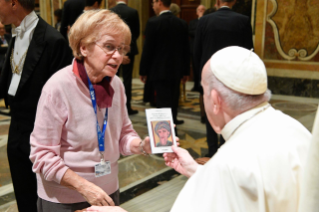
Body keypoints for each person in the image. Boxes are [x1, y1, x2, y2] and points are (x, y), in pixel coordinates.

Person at [29, 10, 152, 212]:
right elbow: (42, 154)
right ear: (84, 47)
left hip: (107, 193)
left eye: (122, 49)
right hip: (64, 199)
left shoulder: (117, 85)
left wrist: (141, 145)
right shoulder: (58, 87)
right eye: (110, 47)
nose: (118, 56)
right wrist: (84, 187)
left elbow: (123, 135)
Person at [163, 46, 311, 211]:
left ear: (215, 100)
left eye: (203, 91)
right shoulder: (296, 129)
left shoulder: (224, 166)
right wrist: (196, 170)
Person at [0, 0, 72, 211]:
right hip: (16, 127)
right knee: (23, 194)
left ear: (13, 3)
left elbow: (63, 98)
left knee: (44, 197)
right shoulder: (15, 34)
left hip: (41, 132)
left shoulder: (53, 40)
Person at [194, 0, 254, 159]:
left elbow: (197, 52)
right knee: (231, 111)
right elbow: (248, 52)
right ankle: (226, 147)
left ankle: (212, 149)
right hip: (234, 76)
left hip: (210, 75)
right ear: (234, 1)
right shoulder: (243, 20)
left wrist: (198, 77)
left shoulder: (205, 21)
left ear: (218, 1)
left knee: (211, 111)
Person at [139, 0, 189, 126]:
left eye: (154, 3)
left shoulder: (153, 22)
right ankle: (173, 126)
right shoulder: (181, 23)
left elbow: (148, 49)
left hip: (158, 70)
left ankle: (166, 134)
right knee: (173, 100)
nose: (153, 6)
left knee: (162, 102)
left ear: (160, 2)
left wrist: (143, 70)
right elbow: (186, 50)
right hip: (176, 70)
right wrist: (186, 71)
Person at [110, 0, 140, 115]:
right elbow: (136, 33)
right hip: (129, 50)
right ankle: (127, 107)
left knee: (112, 78)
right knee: (127, 80)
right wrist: (125, 49)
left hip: (113, 50)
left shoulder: (111, 12)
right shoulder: (133, 11)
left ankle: (114, 107)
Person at [189, 5, 205, 93]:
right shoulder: (193, 22)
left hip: (204, 48)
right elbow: (190, 31)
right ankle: (196, 85)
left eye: (202, 10)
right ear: (196, 12)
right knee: (195, 67)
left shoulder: (207, 21)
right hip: (194, 47)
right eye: (199, 10)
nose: (201, 11)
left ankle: (203, 85)